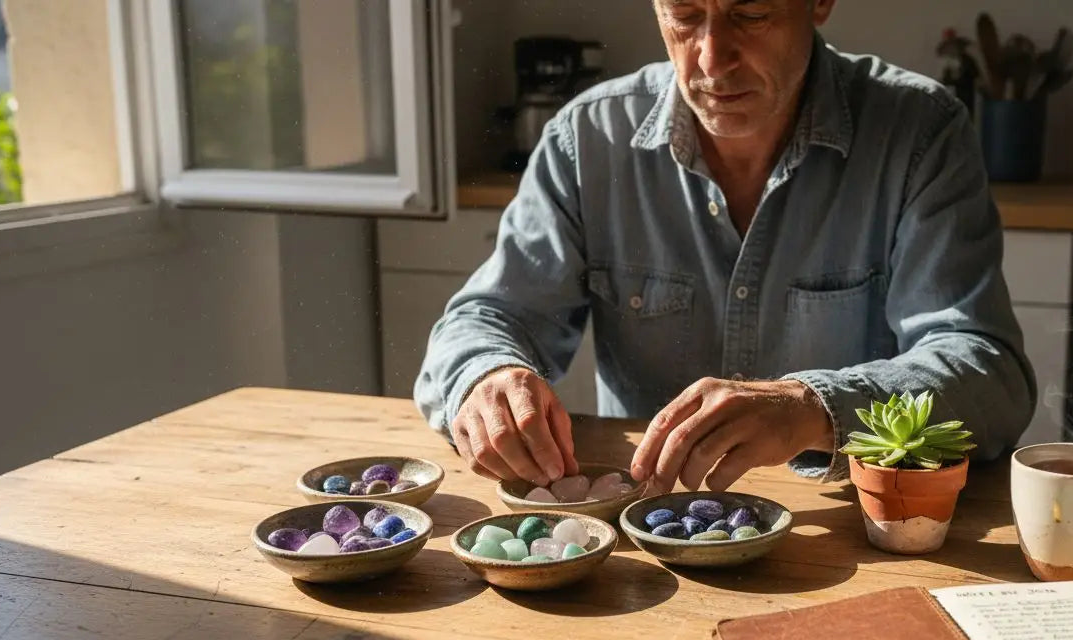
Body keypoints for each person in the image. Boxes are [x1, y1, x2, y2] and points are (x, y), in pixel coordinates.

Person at [415, 0, 1035, 495]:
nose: (712, 59)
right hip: (646, 547)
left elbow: (990, 374)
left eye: (751, 14)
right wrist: (486, 377)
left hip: (853, 542)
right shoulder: (587, 139)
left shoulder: (920, 134)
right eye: (684, 15)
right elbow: (486, 318)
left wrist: (813, 407)